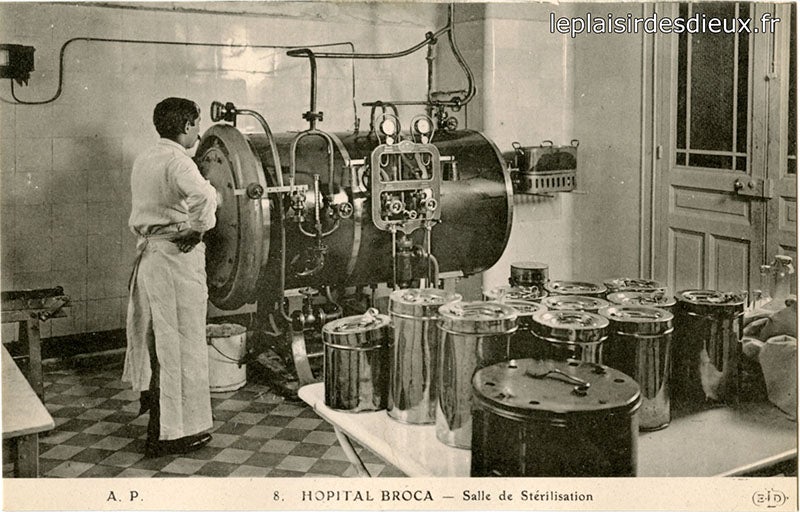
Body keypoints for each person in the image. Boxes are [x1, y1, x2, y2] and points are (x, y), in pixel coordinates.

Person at [123, 97, 217, 458]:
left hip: (151, 258)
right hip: (174, 261)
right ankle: (171, 435)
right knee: (181, 346)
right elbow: (205, 196)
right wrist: (197, 230)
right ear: (187, 125)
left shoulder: (146, 157)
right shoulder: (179, 161)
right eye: (196, 123)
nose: (197, 131)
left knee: (160, 345)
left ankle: (161, 428)